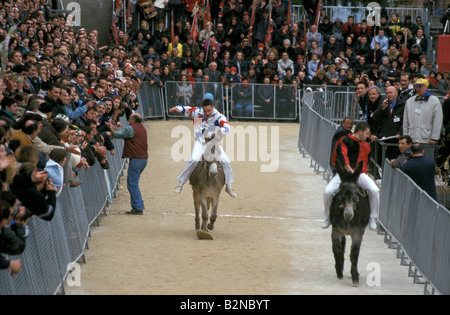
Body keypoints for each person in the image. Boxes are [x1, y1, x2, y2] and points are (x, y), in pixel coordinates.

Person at [169, 93, 237, 198]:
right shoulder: (197, 112)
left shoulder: (219, 116)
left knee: (226, 162)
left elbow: (227, 127)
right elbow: (186, 109)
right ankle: (180, 183)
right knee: (193, 160)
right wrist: (177, 108)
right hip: (200, 142)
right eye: (205, 111)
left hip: (213, 143)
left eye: (209, 111)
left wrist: (219, 132)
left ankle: (228, 186)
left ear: (213, 108)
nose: (207, 113)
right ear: (202, 109)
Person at [323, 122, 379, 230]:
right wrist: (349, 169)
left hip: (360, 174)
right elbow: (343, 156)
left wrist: (359, 172)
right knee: (328, 192)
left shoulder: (366, 145)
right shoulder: (344, 140)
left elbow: (365, 161)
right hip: (344, 175)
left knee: (375, 190)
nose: (368, 136)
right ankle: (328, 217)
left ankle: (373, 217)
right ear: (360, 132)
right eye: (367, 133)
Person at [108, 113, 148, 215]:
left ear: (133, 120)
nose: (128, 120)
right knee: (134, 183)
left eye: (130, 118)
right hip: (143, 159)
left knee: (132, 184)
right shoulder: (142, 128)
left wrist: (110, 128)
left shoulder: (131, 128)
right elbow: (123, 134)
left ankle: (138, 207)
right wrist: (114, 128)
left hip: (136, 159)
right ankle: (139, 204)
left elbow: (117, 135)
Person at [403, 78, 443, 145]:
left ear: (426, 87)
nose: (418, 89)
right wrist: (405, 137)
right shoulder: (409, 101)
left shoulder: (434, 101)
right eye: (416, 87)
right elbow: (405, 121)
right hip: (411, 139)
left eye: (420, 87)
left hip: (427, 139)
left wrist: (434, 137)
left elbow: (437, 121)